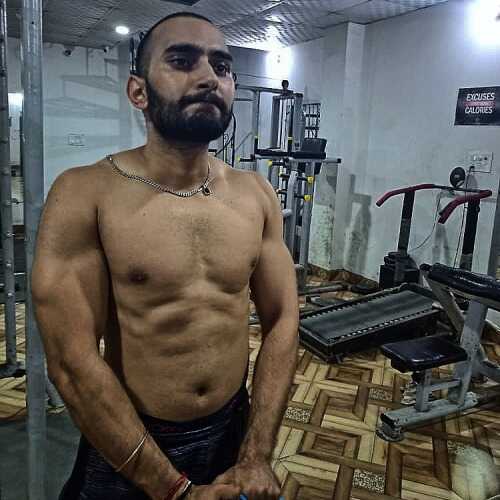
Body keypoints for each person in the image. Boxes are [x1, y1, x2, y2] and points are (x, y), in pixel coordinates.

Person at [32, 11, 299, 500]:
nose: (209, 77)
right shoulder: (85, 194)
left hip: (234, 428)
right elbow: (70, 361)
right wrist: (175, 490)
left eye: (222, 66)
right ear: (138, 92)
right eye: (182, 61)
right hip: (130, 436)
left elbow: (283, 318)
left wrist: (257, 452)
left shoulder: (256, 194)